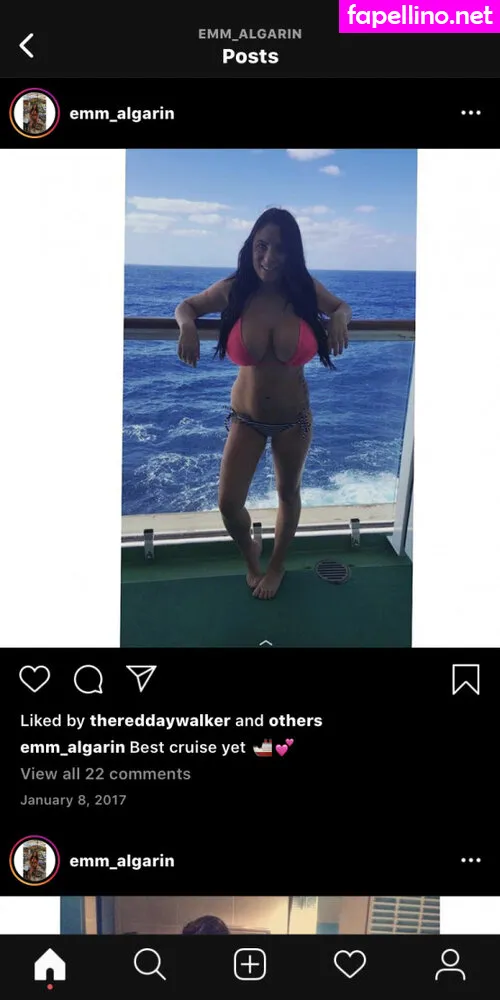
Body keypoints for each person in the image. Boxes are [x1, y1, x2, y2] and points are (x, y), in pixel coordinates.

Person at [175, 207, 351, 599]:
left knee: (288, 494)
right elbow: (187, 306)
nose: (270, 257)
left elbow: (341, 307)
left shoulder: (304, 290)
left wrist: (340, 317)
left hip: (294, 420)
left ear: (293, 253)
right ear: (250, 246)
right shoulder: (234, 289)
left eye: (281, 249)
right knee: (228, 503)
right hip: (246, 419)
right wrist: (187, 327)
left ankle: (276, 565)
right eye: (262, 245)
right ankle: (251, 557)